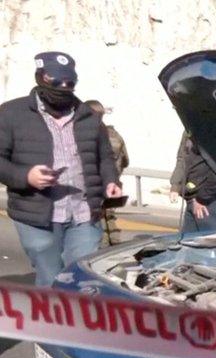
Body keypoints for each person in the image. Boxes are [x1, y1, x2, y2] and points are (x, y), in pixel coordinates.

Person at [0, 52, 121, 286]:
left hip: (84, 212)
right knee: (50, 278)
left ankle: (79, 320)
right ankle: (53, 319)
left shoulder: (89, 117)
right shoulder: (10, 114)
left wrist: (110, 181)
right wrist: (26, 177)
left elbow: (104, 157)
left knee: (82, 276)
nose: (63, 87)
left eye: (69, 83)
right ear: (40, 77)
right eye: (56, 81)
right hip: (37, 215)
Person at [84, 99, 128, 246]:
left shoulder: (86, 133)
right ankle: (114, 246)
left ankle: (101, 250)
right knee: (110, 218)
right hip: (113, 186)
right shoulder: (115, 135)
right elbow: (126, 160)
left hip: (94, 187)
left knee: (97, 221)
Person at [178, 135, 216, 232]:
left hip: (212, 199)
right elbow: (182, 158)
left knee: (210, 242)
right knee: (187, 243)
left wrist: (201, 199)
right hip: (194, 197)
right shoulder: (194, 127)